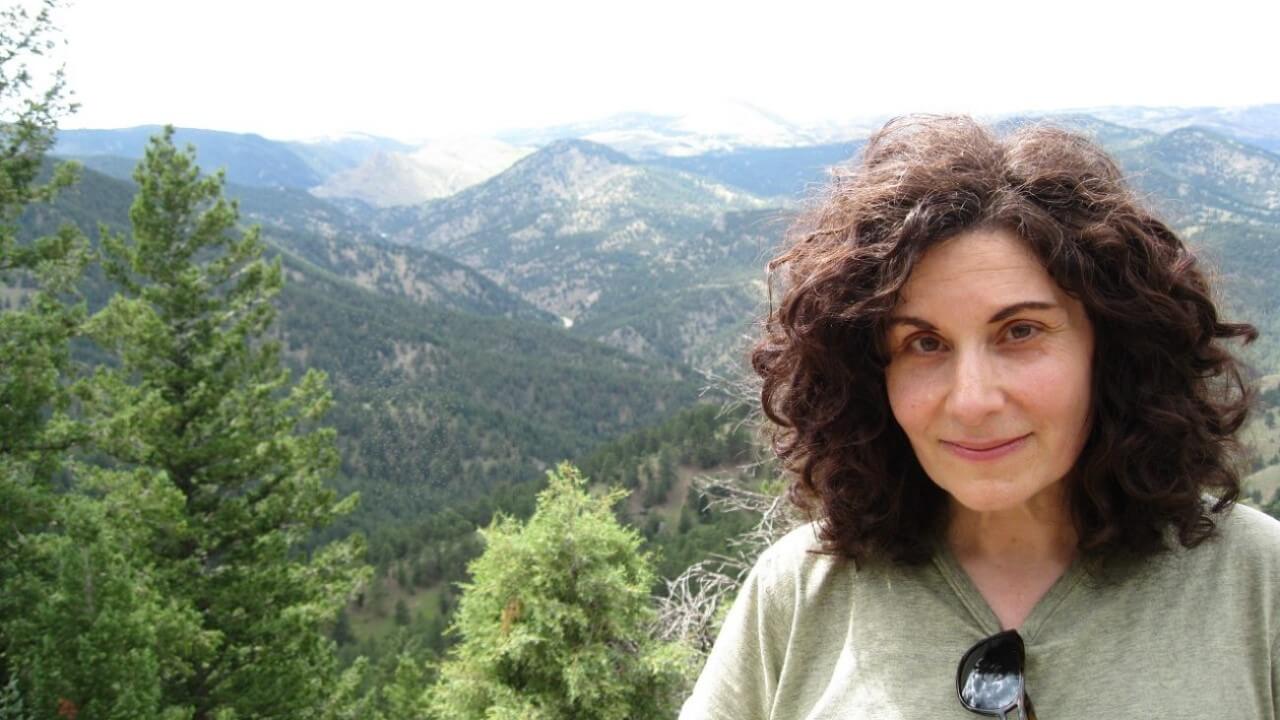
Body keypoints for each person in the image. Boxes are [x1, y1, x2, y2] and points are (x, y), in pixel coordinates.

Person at [679, 114, 1280, 718]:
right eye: (923, 342)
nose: (971, 399)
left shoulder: (1257, 581)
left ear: (1113, 349)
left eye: (1020, 331)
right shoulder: (800, 592)